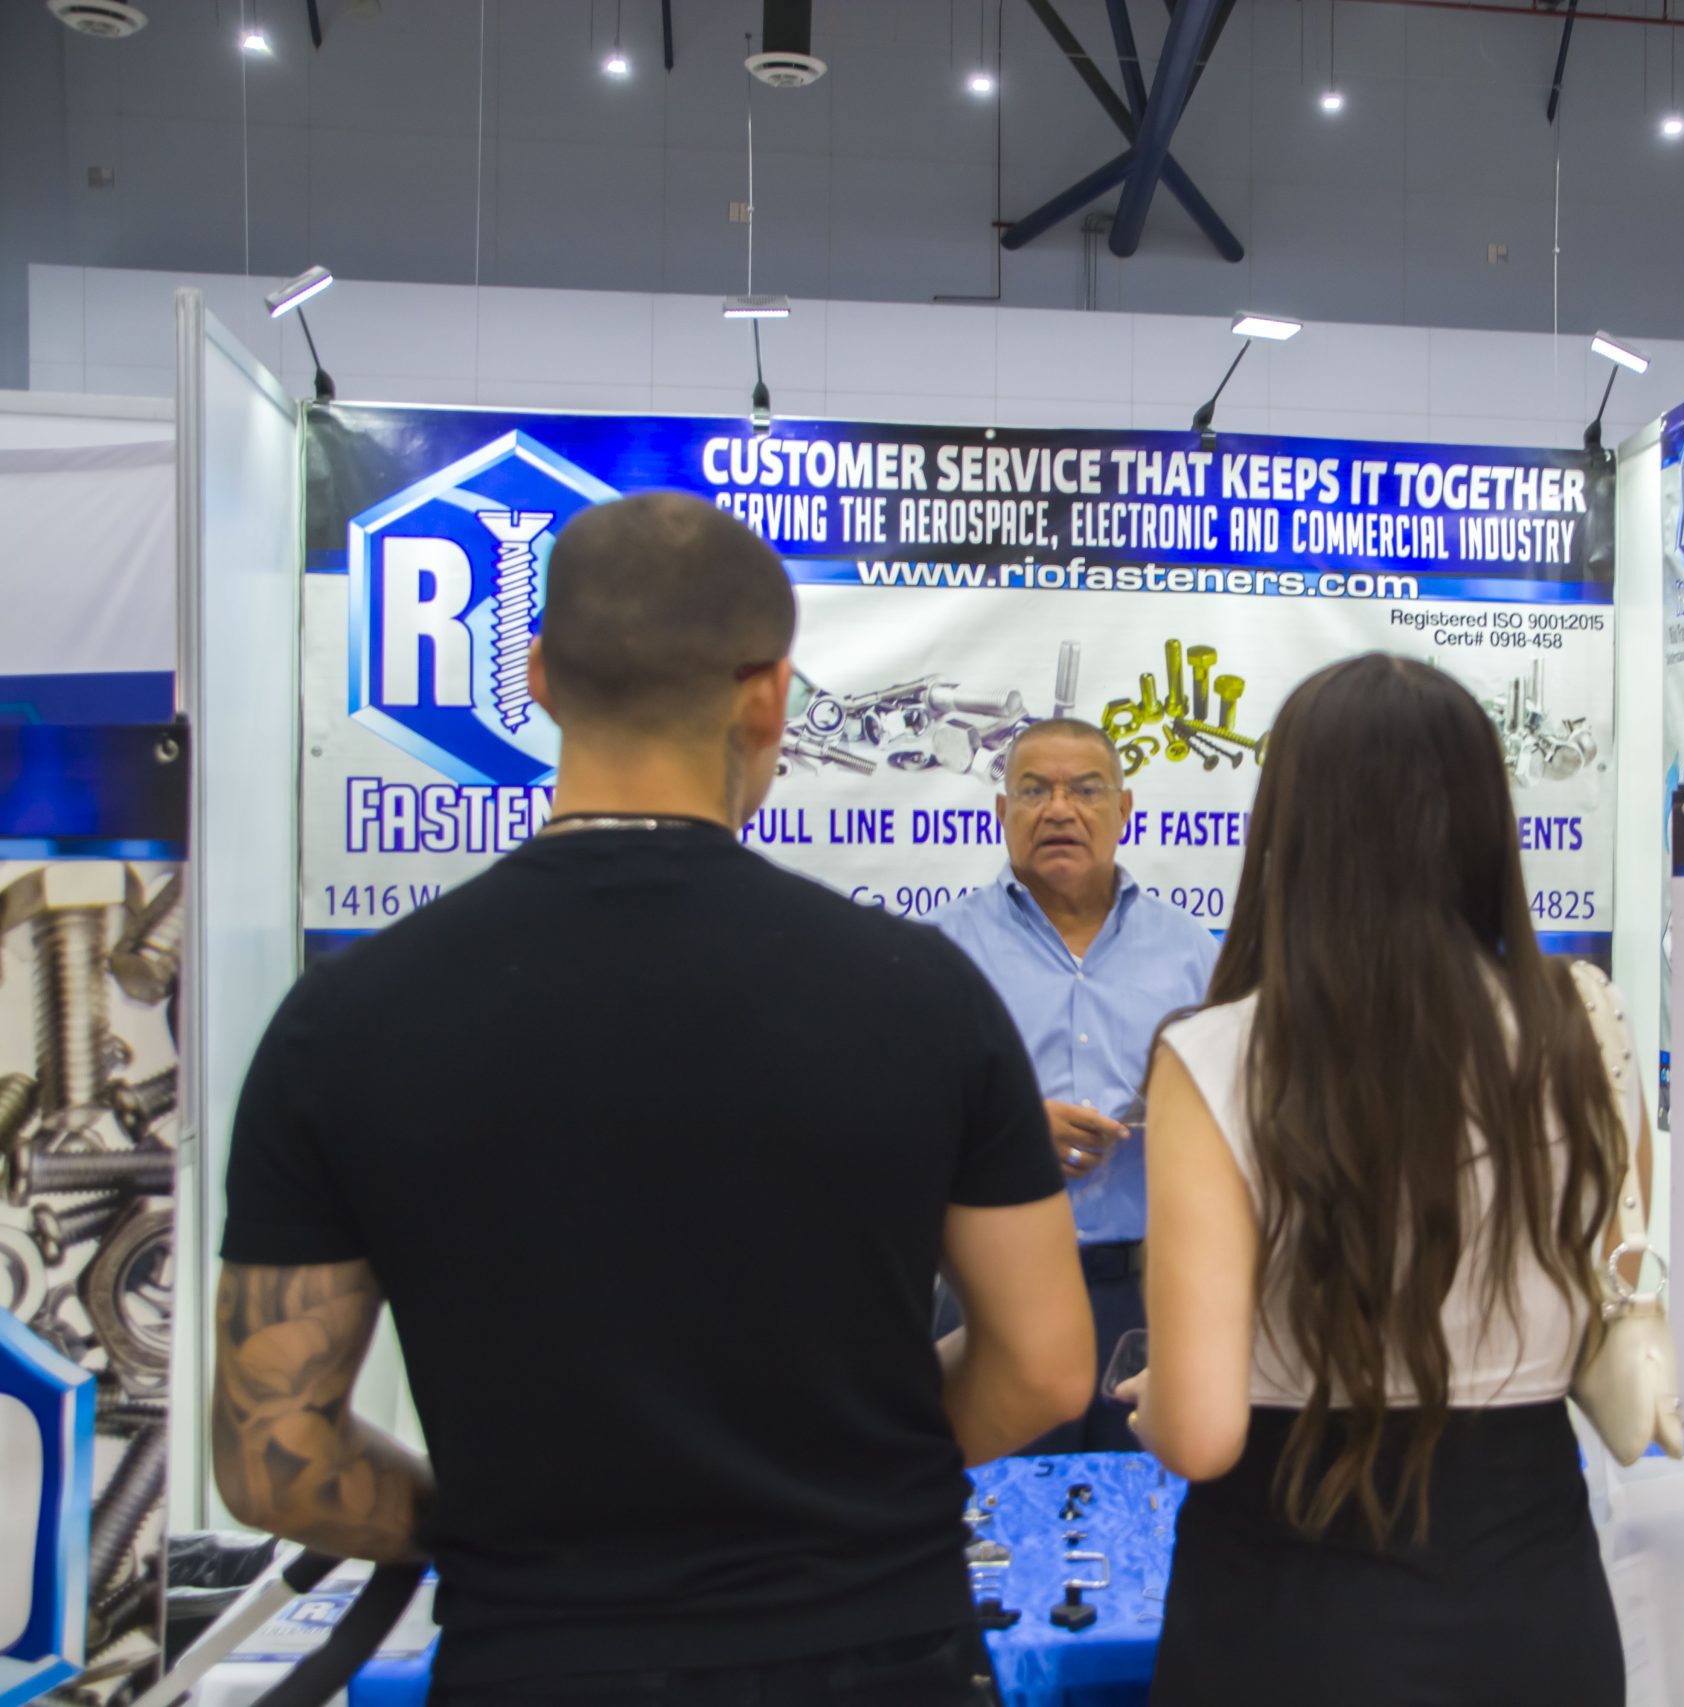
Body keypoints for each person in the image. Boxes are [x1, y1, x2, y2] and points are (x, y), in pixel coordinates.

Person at [212, 492, 1092, 1707]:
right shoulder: (921, 993)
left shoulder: (346, 1019)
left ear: (536, 677)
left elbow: (273, 1459)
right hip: (873, 1648)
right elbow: (1045, 1367)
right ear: (769, 695)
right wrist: (848, 1485)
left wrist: (499, 1530)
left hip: (536, 1661)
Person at [1123, 653, 1643, 1707]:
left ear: (1292, 824)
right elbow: (1610, 1279)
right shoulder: (1582, 1018)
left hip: (1291, 1614)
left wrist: (1154, 1403)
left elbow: (1202, 1433)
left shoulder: (1215, 1055)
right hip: (1536, 1601)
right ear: (1484, 820)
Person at [929, 719, 1220, 1452]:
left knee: (1152, 1507)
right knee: (984, 1506)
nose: (1059, 809)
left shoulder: (1194, 952)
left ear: (1124, 809)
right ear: (1002, 812)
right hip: (989, 1295)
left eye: (1086, 790)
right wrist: (1008, 1132)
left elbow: (1247, 1115)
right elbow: (890, 1119)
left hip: (1152, 1295)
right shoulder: (938, 951)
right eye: (1035, 791)